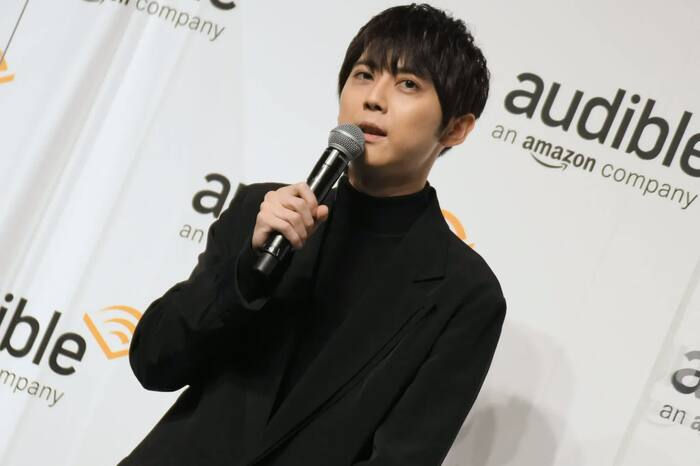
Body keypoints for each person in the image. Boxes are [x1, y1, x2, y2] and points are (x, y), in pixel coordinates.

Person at [119, 3, 506, 465]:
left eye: (408, 84)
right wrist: (246, 272)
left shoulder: (464, 293)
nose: (374, 98)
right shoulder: (262, 212)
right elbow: (155, 360)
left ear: (457, 128)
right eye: (364, 75)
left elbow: (403, 456)